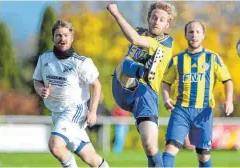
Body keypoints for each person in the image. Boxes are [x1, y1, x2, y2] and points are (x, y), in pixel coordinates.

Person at [107, 2, 177, 167]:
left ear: (167, 24)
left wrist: (116, 13)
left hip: (146, 94)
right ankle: (142, 71)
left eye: (161, 19)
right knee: (124, 64)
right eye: (154, 17)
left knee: (150, 146)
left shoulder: (167, 42)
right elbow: (133, 37)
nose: (156, 21)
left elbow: (135, 40)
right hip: (124, 87)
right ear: (148, 18)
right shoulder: (138, 31)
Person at [33, 19, 109, 168]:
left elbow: (96, 85)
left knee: (55, 145)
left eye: (66, 35)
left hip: (75, 110)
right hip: (56, 112)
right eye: (58, 35)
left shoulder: (81, 62)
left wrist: (93, 111)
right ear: (53, 38)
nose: (62, 39)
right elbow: (37, 80)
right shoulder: (45, 59)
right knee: (90, 157)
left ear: (72, 37)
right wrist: (41, 89)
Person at [161, 21, 234, 167]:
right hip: (181, 111)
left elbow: (227, 80)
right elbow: (165, 82)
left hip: (203, 112)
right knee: (170, 149)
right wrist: (166, 98)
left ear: (203, 35)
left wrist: (229, 100)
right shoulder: (177, 60)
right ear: (186, 35)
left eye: (197, 32)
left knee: (203, 155)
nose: (194, 35)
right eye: (191, 32)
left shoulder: (212, 58)